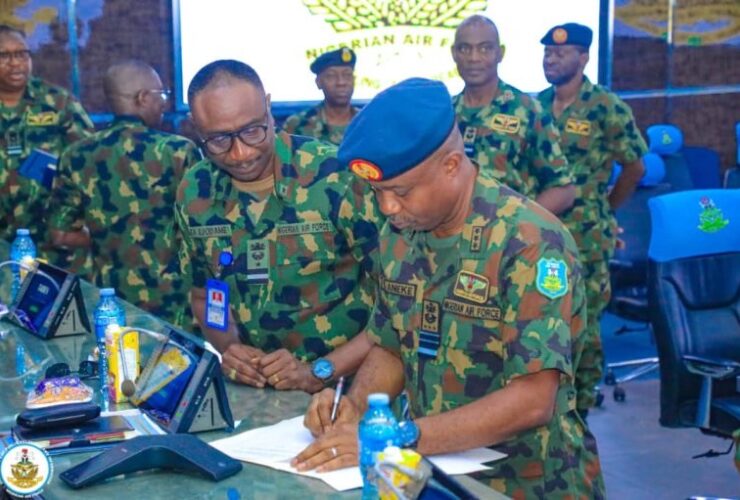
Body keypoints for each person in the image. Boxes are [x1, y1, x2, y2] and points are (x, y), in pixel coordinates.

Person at [292, 78, 605, 499]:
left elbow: (534, 399)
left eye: (400, 191)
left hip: (528, 482)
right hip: (432, 475)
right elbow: (392, 345)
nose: (387, 207)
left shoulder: (528, 242)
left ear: (452, 165)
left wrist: (401, 436)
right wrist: (359, 410)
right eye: (378, 192)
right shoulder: (399, 235)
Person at [175, 59, 380, 392]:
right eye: (219, 140)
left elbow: (396, 304)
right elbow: (207, 295)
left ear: (268, 107)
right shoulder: (196, 191)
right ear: (195, 128)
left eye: (252, 130)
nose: (240, 154)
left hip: (348, 391)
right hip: (259, 397)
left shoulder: (334, 176)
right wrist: (230, 348)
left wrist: (317, 371)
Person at [538, 23, 648, 414]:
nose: (551, 59)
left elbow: (634, 167)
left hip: (586, 237)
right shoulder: (535, 106)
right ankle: (542, 408)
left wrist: (605, 210)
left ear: (583, 57)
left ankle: (580, 412)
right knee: (540, 321)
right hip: (540, 234)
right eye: (547, 52)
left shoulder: (606, 107)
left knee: (582, 326)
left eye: (560, 53)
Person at [47, 60, 200, 327]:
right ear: (143, 98)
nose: (164, 104)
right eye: (162, 95)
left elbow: (60, 234)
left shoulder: (76, 155)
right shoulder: (178, 151)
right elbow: (204, 230)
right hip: (178, 307)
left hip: (111, 306)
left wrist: (107, 234)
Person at [451, 15, 575, 215]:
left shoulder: (527, 111)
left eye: (485, 48)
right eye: (465, 49)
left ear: (500, 53)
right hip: (452, 233)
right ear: (454, 53)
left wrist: (518, 223)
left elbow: (563, 191)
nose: (474, 58)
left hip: (509, 233)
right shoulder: (445, 114)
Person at [0, 24, 94, 268]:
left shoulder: (57, 102)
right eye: (4, 56)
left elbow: (88, 160)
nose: (15, 63)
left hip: (53, 241)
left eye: (22, 54)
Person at [281, 48, 359, 145]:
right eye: (331, 76)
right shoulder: (297, 124)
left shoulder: (368, 122)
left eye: (347, 75)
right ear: (318, 82)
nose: (341, 82)